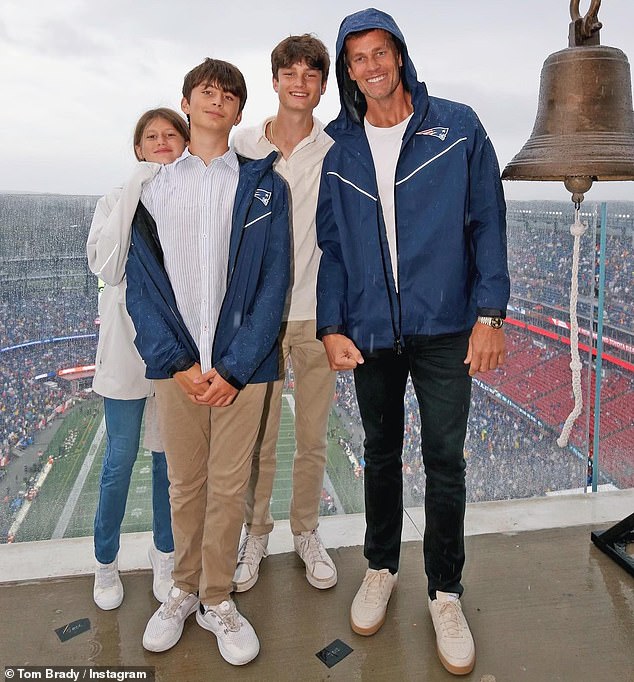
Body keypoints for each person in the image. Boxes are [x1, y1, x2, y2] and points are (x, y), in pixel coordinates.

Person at [316, 8, 510, 676]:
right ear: (348, 70)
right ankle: (380, 566)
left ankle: (445, 591)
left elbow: (488, 220)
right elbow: (333, 247)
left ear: (399, 57)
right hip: (370, 329)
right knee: (378, 453)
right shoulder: (339, 147)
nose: (370, 66)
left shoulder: (456, 127)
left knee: (445, 461)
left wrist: (492, 313)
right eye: (357, 58)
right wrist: (331, 325)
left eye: (380, 53)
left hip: (446, 324)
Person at [125, 58, 290, 666]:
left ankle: (217, 597)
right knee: (184, 484)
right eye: (205, 90)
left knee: (227, 487)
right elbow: (140, 284)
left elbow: (276, 282)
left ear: (239, 111)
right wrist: (173, 362)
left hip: (240, 368)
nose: (216, 99)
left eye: (228, 94)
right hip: (178, 368)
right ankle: (182, 589)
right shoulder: (153, 188)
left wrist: (237, 366)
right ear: (187, 103)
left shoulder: (265, 185)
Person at [230, 34, 337, 593]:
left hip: (318, 315)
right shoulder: (242, 142)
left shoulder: (336, 145)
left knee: (314, 435)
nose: (299, 83)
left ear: (322, 85)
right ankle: (255, 533)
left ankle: (306, 531)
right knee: (259, 439)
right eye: (290, 73)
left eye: (311, 75)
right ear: (274, 81)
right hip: (260, 316)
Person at [87, 108, 189, 610]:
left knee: (168, 464)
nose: (162, 141)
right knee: (119, 462)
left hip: (173, 352)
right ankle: (105, 563)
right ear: (137, 148)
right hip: (125, 355)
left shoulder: (191, 198)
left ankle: (164, 554)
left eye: (172, 134)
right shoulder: (113, 200)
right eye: (151, 136)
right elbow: (106, 263)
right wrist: (135, 188)